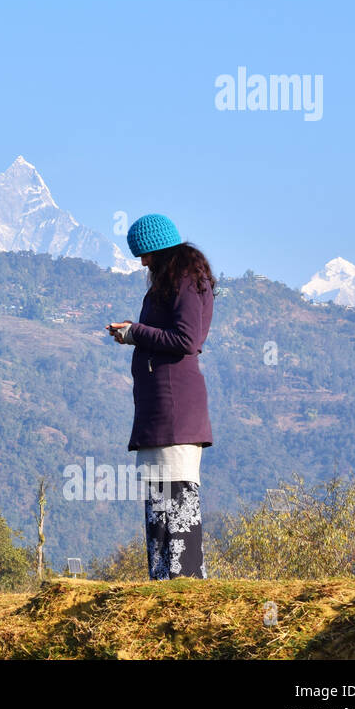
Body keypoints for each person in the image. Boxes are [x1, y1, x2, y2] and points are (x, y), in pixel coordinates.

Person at [106, 214, 216, 580]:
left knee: (178, 501)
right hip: (159, 412)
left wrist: (135, 333)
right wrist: (133, 335)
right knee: (158, 505)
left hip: (176, 411)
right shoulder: (171, 282)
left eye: (146, 256)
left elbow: (187, 340)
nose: (143, 263)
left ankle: (183, 587)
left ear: (160, 251)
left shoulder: (187, 281)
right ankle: (161, 585)